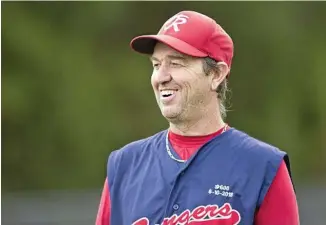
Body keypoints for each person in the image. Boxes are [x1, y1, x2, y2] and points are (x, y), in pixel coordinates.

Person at [96, 10, 299, 225]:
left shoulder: (263, 167)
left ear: (216, 74)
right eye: (156, 65)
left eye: (176, 63)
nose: (162, 77)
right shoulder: (124, 165)